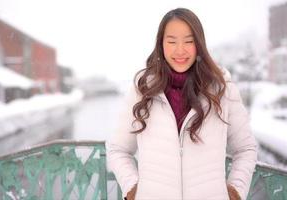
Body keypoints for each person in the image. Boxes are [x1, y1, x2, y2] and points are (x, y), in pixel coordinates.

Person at [106, 8, 257, 200]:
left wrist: (235, 191)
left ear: (199, 44)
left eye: (188, 41)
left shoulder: (221, 88)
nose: (180, 50)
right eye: (171, 41)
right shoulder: (142, 90)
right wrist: (132, 189)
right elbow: (119, 150)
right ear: (161, 44)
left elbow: (245, 149)